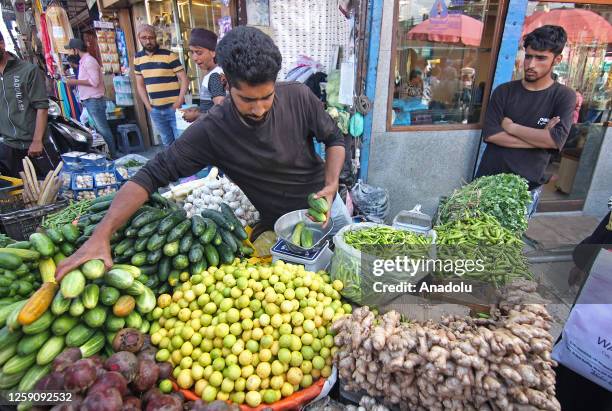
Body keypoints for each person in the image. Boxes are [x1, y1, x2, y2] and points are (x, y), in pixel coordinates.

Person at [55, 26, 351, 280]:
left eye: (266, 97)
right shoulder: (212, 131)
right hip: (283, 228)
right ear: (225, 84)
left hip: (328, 209)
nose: (259, 108)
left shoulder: (298, 96)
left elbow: (334, 139)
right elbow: (150, 175)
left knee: (352, 276)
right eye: (248, 100)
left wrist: (331, 183)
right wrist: (101, 234)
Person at [475, 25, 576, 216]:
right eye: (528, 56)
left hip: (525, 189)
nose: (530, 64)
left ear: (558, 59)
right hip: (487, 181)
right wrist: (540, 139)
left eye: (540, 58)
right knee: (473, 238)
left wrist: (512, 127)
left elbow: (555, 141)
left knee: (507, 244)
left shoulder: (563, 96)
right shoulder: (504, 91)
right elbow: (492, 135)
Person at [0, 30, 58, 178]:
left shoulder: (28, 70)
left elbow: (42, 107)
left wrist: (37, 141)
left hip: (34, 145)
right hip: (9, 146)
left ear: (2, 44)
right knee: (20, 193)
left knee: (50, 188)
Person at [134, 24, 188, 146]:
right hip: (156, 110)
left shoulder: (169, 55)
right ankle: (171, 166)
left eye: (151, 37)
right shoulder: (137, 58)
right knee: (167, 143)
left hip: (174, 108)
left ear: (155, 37)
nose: (148, 41)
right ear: (139, 38)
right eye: (144, 38)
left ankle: (182, 165)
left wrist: (179, 101)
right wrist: (148, 106)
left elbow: (184, 79)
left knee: (182, 143)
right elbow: (140, 84)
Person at [64, 38, 117, 158]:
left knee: (103, 130)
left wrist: (75, 82)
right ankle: (109, 154)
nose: (70, 53)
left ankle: (113, 155)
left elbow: (94, 81)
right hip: (90, 100)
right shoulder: (84, 61)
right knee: (99, 130)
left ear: (76, 50)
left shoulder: (89, 61)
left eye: (71, 50)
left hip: (95, 100)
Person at [182, 28, 226, 123]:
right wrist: (199, 109)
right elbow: (212, 106)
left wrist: (197, 115)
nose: (194, 58)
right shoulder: (213, 73)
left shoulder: (215, 76)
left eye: (199, 52)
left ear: (213, 52)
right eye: (192, 52)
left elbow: (221, 113)